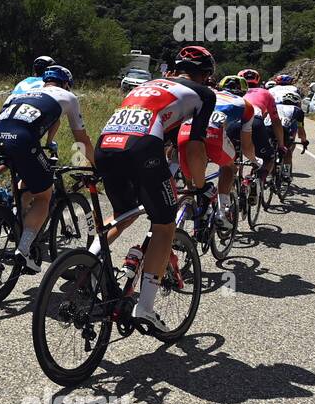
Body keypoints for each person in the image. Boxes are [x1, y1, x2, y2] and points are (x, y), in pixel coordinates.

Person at [94, 45, 217, 332]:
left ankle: (88, 260)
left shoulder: (148, 85)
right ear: (206, 75)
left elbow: (165, 140)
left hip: (107, 144)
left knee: (124, 213)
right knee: (164, 224)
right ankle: (145, 308)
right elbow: (194, 146)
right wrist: (197, 185)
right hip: (142, 148)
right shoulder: (203, 94)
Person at [0, 65, 95, 274]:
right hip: (23, 141)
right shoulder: (68, 96)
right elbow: (81, 140)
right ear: (66, 84)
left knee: (28, 181)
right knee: (45, 195)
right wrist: (95, 163)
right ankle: (24, 249)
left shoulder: (25, 92)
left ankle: (13, 215)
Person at [179, 75, 257, 229]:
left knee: (192, 180)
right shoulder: (246, 105)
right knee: (230, 166)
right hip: (212, 134)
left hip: (184, 131)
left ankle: (186, 207)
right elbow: (247, 146)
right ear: (244, 91)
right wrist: (255, 161)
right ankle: (222, 211)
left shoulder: (206, 92)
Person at [239, 68, 286, 185]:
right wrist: (281, 145)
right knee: (269, 158)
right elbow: (275, 121)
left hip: (233, 122)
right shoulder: (265, 93)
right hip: (255, 121)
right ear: (258, 80)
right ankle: (259, 180)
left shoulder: (235, 91)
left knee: (229, 161)